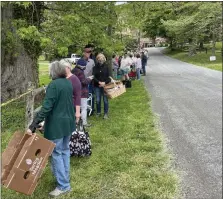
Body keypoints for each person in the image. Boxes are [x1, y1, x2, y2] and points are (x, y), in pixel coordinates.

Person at [27, 61, 75, 197]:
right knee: (64, 151)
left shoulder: (54, 85)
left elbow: (47, 107)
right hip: (68, 123)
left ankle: (63, 185)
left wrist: (34, 124)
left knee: (57, 154)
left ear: (53, 71)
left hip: (58, 126)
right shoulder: (67, 82)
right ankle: (65, 179)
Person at [71, 59, 93, 127]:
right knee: (84, 108)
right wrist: (89, 79)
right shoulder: (80, 72)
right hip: (82, 92)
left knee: (75, 108)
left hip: (74, 92)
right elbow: (83, 82)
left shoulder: (73, 70)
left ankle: (75, 122)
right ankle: (84, 123)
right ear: (82, 66)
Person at [92, 53, 111, 119]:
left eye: (102, 58)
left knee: (105, 100)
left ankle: (105, 113)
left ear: (104, 59)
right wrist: (99, 82)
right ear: (97, 59)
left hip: (105, 86)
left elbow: (109, 77)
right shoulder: (94, 67)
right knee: (98, 100)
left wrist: (104, 83)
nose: (100, 59)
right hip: (97, 86)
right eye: (99, 58)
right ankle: (98, 112)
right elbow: (93, 77)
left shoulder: (107, 67)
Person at [83, 45, 96, 116]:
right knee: (84, 96)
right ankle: (85, 110)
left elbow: (94, 71)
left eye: (90, 52)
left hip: (90, 82)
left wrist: (93, 77)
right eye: (87, 52)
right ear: (84, 52)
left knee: (91, 95)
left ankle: (91, 109)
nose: (89, 53)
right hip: (83, 82)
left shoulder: (92, 61)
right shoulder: (80, 61)